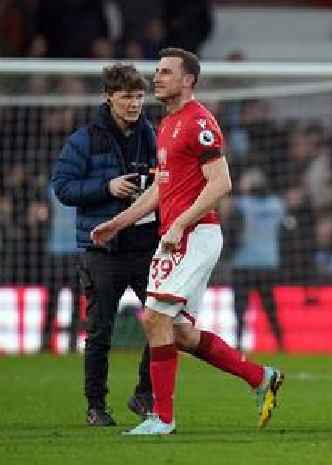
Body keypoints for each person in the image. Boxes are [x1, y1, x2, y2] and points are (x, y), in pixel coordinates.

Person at [91, 48, 284, 435]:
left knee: (154, 318)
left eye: (165, 72)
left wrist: (180, 223)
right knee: (178, 333)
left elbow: (221, 183)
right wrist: (118, 222)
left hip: (195, 235)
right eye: (157, 70)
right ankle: (261, 377)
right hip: (178, 234)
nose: (156, 77)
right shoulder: (166, 123)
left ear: (188, 80)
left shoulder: (199, 122)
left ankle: (161, 418)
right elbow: (161, 190)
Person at [51, 63, 157, 426]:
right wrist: (106, 188)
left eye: (139, 96)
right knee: (100, 331)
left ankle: (145, 394)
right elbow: (62, 187)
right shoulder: (84, 139)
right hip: (104, 250)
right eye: (127, 97)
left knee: (165, 322)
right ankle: (96, 406)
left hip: (146, 246)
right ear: (109, 97)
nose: (134, 104)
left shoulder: (152, 135)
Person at [228, 167, 285, 351]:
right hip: (268, 262)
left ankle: (238, 342)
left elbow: (231, 229)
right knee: (270, 307)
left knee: (240, 308)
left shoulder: (241, 205)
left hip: (243, 263)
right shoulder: (277, 205)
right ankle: (280, 343)